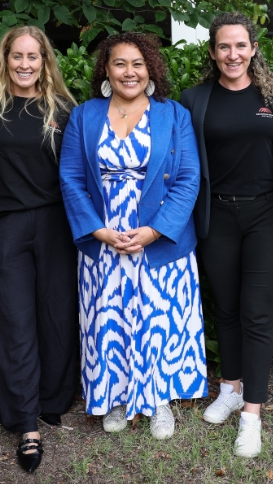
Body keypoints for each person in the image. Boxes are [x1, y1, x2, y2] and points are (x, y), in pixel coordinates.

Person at [59, 32, 207, 441]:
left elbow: (188, 177)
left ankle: (157, 397)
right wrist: (100, 231)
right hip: (104, 238)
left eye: (138, 64)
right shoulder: (84, 115)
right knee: (109, 319)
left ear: (151, 69)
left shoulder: (173, 114)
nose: (129, 72)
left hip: (157, 237)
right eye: (120, 63)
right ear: (105, 69)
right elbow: (71, 177)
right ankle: (118, 397)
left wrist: (155, 230)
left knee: (158, 318)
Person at [0, 26, 79, 474]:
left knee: (56, 315)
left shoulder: (65, 109)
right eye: (17, 56)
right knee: (14, 322)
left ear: (46, 61)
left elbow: (84, 171)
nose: (25, 64)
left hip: (54, 226)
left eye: (34, 57)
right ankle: (25, 421)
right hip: (0, 228)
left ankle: (53, 401)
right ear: (3, 59)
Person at [179, 13, 273, 457]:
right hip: (217, 216)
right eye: (224, 47)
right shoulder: (194, 99)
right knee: (224, 309)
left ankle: (251, 412)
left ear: (253, 49)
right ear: (212, 52)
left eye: (241, 46)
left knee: (256, 314)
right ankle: (229, 386)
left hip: (266, 216)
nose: (233, 54)